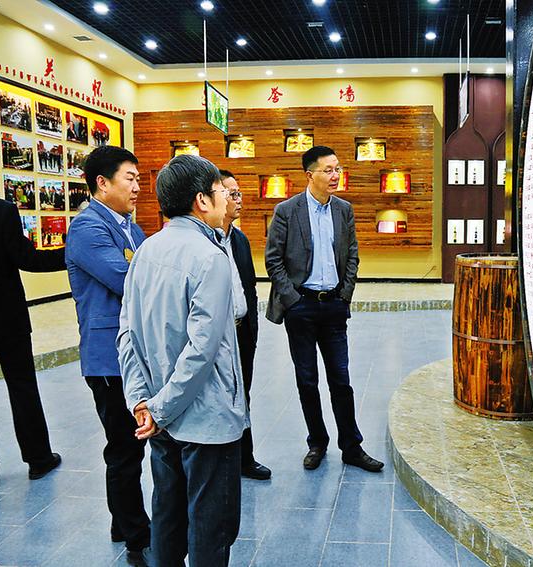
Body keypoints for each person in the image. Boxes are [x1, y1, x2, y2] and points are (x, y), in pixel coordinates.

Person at [118, 154, 247, 566]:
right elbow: (202, 350)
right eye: (221, 192)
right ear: (201, 200)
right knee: (212, 530)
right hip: (206, 422)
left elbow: (127, 335)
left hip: (159, 418)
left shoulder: (145, 251)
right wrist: (158, 407)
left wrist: (142, 402)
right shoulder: (210, 257)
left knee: (168, 522)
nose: (227, 199)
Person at [265, 145, 383, 473]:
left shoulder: (343, 210)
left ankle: (352, 447)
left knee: (341, 380)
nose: (335, 175)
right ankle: (317, 442)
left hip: (333, 306)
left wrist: (345, 295)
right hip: (301, 306)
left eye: (337, 169)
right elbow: (273, 259)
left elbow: (352, 254)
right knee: (307, 380)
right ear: (310, 175)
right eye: (328, 170)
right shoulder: (287, 211)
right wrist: (291, 300)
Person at [64, 145, 151, 566]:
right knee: (124, 448)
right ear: (102, 183)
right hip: (107, 357)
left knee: (132, 446)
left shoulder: (131, 228)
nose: (137, 187)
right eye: (129, 178)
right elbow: (128, 277)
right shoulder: (87, 228)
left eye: (138, 179)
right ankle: (137, 538)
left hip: (131, 352)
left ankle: (123, 522)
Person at [0, 149, 62, 493]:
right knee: (22, 385)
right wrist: (71, 254)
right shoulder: (0, 211)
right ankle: (38, 459)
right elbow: (27, 259)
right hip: (6, 316)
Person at [219, 169, 271, 481]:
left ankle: (244, 458)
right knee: (220, 398)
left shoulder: (239, 239)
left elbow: (248, 287)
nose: (239, 200)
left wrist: (251, 327)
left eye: (240, 193)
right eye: (232, 194)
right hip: (217, 335)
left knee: (243, 395)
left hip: (242, 332)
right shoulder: (204, 241)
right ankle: (222, 462)